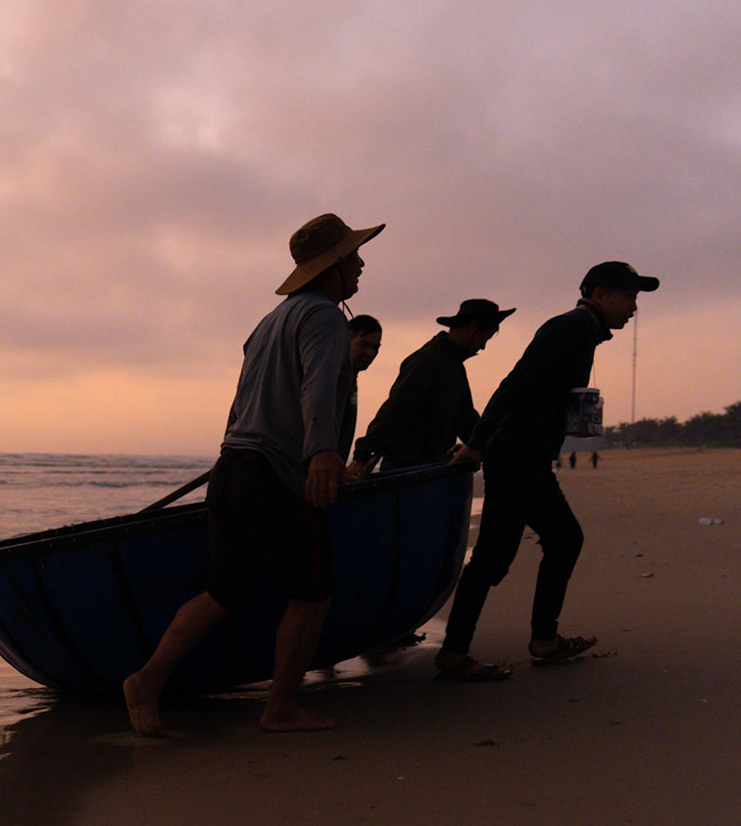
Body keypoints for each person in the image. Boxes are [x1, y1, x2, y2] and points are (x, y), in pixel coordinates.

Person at [123, 213, 382, 735]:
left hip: (233, 469)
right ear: (331, 267)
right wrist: (323, 454)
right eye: (353, 257)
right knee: (311, 594)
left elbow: (240, 403)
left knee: (226, 592)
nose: (360, 264)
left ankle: (145, 682)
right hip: (276, 477)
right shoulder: (326, 318)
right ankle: (280, 708)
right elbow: (315, 390)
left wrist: (238, 452)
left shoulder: (268, 322)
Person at [434, 261, 659, 680]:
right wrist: (479, 443)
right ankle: (455, 652)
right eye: (628, 297)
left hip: (530, 459)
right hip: (516, 458)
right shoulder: (568, 329)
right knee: (493, 559)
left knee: (563, 538)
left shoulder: (584, 334)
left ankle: (543, 640)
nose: (633, 307)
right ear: (599, 295)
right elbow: (515, 383)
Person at [353, 298, 514, 470]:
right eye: (485, 337)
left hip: (430, 472)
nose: (483, 346)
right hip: (407, 475)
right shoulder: (428, 360)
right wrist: (362, 455)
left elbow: (467, 421)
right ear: (473, 327)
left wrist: (487, 447)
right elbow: (395, 409)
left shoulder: (453, 366)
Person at [341, 315, 384, 472]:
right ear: (347, 340)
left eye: (375, 348)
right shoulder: (334, 378)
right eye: (364, 345)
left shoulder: (351, 379)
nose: (370, 354)